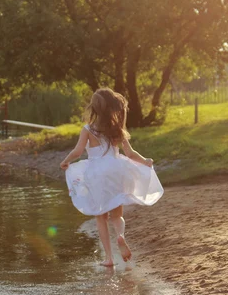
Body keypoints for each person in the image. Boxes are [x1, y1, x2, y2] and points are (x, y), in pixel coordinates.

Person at [60, 88, 164, 267]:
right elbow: (130, 153)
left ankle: (109, 258)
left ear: (94, 108)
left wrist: (66, 161)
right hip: (118, 170)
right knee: (117, 215)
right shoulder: (117, 129)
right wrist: (145, 161)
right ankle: (121, 236)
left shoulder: (88, 129)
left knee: (101, 217)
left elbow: (77, 152)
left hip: (97, 173)